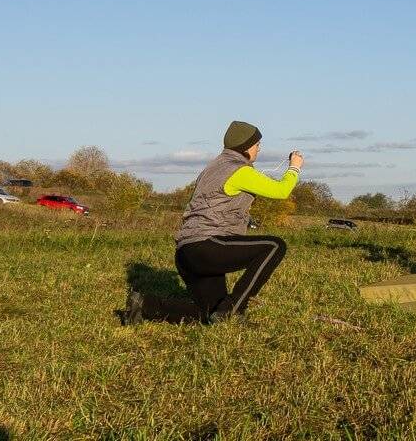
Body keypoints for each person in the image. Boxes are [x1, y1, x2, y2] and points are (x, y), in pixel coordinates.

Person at [126, 120, 303, 325]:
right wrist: (294, 167)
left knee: (210, 313)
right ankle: (234, 309)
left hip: (186, 252)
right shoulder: (239, 171)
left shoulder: (213, 167)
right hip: (207, 246)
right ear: (246, 146)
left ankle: (146, 306)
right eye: (257, 145)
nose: (259, 149)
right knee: (274, 246)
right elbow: (281, 191)